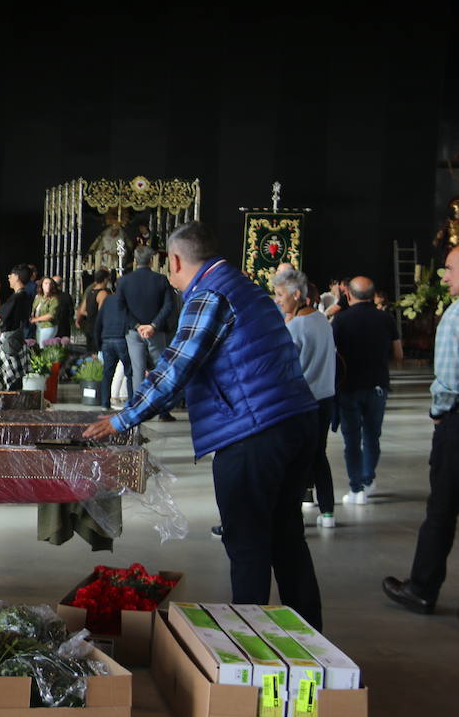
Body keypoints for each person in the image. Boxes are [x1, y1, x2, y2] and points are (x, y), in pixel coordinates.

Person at [83, 222, 323, 628]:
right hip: (294, 422)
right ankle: (311, 646)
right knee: (286, 541)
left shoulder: (209, 294)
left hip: (254, 433)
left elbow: (175, 368)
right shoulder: (246, 287)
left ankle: (249, 651)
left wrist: (122, 418)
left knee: (247, 545)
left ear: (175, 261)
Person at [383, 245, 459, 615]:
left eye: (449, 269)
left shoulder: (456, 316)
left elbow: (448, 380)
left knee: (442, 508)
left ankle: (422, 587)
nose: (444, 277)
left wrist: (438, 412)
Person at [275, 267, 338, 529]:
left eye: (280, 295)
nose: (277, 300)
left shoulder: (295, 327)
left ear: (297, 294)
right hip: (326, 398)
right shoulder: (322, 320)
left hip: (301, 403)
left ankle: (292, 514)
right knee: (318, 455)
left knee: (294, 459)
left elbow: (283, 369)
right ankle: (327, 512)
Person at [332, 275, 401, 503]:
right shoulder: (386, 318)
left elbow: (332, 354)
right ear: (373, 295)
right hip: (378, 386)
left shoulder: (340, 320)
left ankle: (356, 488)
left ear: (348, 295)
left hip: (348, 386)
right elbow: (399, 354)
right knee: (372, 436)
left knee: (351, 439)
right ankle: (368, 479)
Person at [107, 245, 178, 421]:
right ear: (151, 261)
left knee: (138, 371)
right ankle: (163, 410)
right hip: (156, 332)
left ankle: (140, 410)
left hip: (134, 332)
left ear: (135, 261)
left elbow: (120, 307)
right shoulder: (161, 279)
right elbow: (169, 305)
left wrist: (137, 325)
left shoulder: (123, 281)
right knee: (161, 370)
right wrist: (153, 325)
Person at [0, 265, 32, 391]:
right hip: (17, 341)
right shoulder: (25, 295)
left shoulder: (16, 297)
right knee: (15, 381)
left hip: (9, 343)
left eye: (11, 275)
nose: (8, 277)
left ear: (17, 277)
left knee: (10, 382)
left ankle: (10, 409)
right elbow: (1, 315)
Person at [95, 278, 132, 410]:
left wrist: (98, 343)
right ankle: (131, 403)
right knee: (129, 372)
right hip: (122, 338)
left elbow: (99, 322)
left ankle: (105, 403)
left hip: (107, 339)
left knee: (107, 373)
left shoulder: (107, 300)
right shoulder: (128, 301)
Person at [76, 268, 112, 353]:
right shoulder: (103, 293)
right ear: (105, 279)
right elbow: (102, 312)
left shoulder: (90, 292)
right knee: (98, 352)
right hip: (98, 327)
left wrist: (90, 314)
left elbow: (82, 310)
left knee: (90, 352)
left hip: (89, 326)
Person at [30, 276, 61, 344]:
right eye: (46, 283)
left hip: (48, 326)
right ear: (42, 285)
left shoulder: (54, 299)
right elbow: (33, 309)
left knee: (42, 345)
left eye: (50, 284)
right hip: (38, 326)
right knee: (39, 345)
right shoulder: (38, 297)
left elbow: (51, 315)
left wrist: (36, 319)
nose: (48, 286)